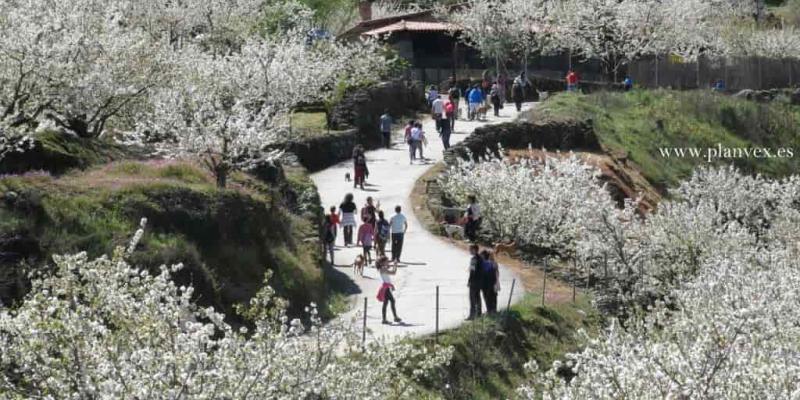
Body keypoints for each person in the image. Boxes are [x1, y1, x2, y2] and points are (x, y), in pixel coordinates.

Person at [376, 256, 401, 324]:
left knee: (386, 303)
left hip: (386, 287)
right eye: (386, 261)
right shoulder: (383, 269)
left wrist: (391, 263)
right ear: (382, 263)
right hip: (386, 288)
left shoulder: (382, 268)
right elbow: (393, 272)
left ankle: (386, 319)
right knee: (392, 301)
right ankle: (394, 317)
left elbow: (388, 267)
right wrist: (395, 265)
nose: (388, 262)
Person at [479, 250, 499, 314]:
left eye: (481, 255)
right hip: (487, 283)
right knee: (489, 296)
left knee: (491, 296)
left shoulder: (491, 263)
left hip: (490, 283)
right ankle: (491, 310)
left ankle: (492, 310)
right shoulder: (485, 263)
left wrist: (496, 282)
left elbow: (496, 273)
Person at [466, 244, 483, 320]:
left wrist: (469, 280)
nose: (469, 251)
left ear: (475, 250)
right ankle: (479, 313)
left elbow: (472, 271)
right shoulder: (481, 258)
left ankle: (472, 315)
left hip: (474, 281)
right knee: (478, 297)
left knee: (472, 298)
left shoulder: (474, 259)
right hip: (480, 281)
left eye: (471, 249)